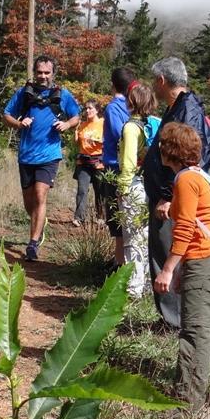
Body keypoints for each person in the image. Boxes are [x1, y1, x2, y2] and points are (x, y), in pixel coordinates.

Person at [153, 122, 210, 411]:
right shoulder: (200, 177)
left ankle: (187, 402)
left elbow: (186, 230)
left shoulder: (185, 181)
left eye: (163, 145)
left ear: (171, 151)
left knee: (194, 332)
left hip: (204, 263)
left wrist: (168, 269)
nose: (159, 149)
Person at [144, 57, 210, 328]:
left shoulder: (188, 111)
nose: (154, 86)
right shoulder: (179, 107)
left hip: (172, 200)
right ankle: (170, 318)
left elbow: (190, 158)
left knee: (168, 254)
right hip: (167, 196)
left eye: (155, 81)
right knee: (162, 253)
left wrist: (169, 195)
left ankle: (173, 321)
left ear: (162, 81)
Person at [3, 56, 80, 261]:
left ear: (53, 74)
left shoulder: (62, 95)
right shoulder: (24, 93)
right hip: (26, 154)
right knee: (29, 202)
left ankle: (33, 244)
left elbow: (75, 116)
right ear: (34, 72)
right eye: (40, 72)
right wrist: (19, 124)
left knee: (40, 195)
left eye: (47, 73)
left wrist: (67, 125)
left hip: (49, 155)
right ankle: (39, 222)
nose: (43, 76)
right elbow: (7, 115)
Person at [116, 82, 157, 297]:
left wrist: (122, 187)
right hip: (149, 186)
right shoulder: (152, 124)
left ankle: (133, 289)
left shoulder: (131, 128)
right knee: (146, 236)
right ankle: (149, 285)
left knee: (132, 237)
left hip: (133, 186)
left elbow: (129, 161)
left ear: (131, 102)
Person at [101, 67, 135, 268]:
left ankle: (119, 263)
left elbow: (117, 135)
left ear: (113, 84)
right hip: (132, 167)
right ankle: (122, 261)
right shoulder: (135, 107)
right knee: (127, 216)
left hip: (115, 167)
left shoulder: (113, 108)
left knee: (116, 218)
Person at [73, 100, 104, 227]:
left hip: (98, 160)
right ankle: (79, 218)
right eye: (86, 108)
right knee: (82, 190)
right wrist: (75, 136)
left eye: (90, 108)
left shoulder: (103, 123)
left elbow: (110, 138)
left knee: (100, 190)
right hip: (83, 160)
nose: (87, 111)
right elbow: (77, 143)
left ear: (97, 110)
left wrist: (98, 140)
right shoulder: (82, 125)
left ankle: (101, 217)